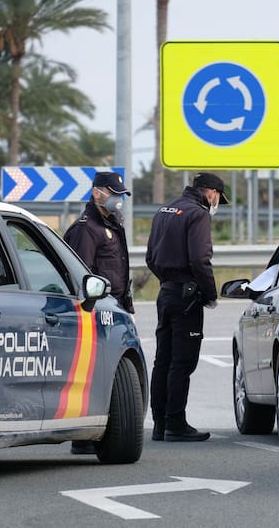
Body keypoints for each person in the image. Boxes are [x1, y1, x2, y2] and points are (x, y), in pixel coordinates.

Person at [145, 172, 229, 442]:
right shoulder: (198, 214)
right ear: (212, 193)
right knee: (182, 362)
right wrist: (210, 294)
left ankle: (159, 423)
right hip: (186, 295)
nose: (217, 203)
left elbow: (150, 256)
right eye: (218, 198)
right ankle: (175, 423)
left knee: (163, 360)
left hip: (166, 291)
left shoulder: (165, 209)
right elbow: (200, 259)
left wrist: (168, 280)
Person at [63, 170, 134, 454]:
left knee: (112, 374)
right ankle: (84, 437)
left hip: (114, 307)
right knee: (93, 372)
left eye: (121, 195)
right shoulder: (86, 228)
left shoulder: (111, 222)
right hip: (94, 310)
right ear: (97, 193)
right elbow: (80, 275)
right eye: (114, 194)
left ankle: (97, 434)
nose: (119, 199)